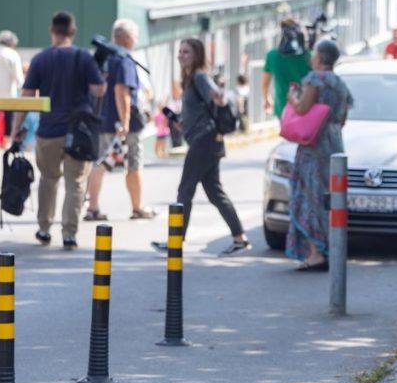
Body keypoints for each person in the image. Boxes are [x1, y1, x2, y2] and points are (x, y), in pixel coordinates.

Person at [10, 11, 106, 249]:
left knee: (49, 179)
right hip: (79, 132)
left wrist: (16, 128)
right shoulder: (84, 57)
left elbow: (27, 96)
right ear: (72, 32)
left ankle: (44, 228)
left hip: (49, 130)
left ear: (52, 30)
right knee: (76, 183)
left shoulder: (41, 59)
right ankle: (69, 234)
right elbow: (99, 90)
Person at [153, 39, 250, 256]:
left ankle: (176, 240)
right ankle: (239, 237)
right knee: (215, 193)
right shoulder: (190, 79)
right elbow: (199, 111)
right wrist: (178, 119)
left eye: (186, 52)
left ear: (197, 54)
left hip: (204, 141)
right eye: (179, 51)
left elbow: (217, 97)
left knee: (185, 189)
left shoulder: (199, 76)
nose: (181, 55)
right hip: (205, 140)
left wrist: (221, 99)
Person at [285, 39, 352, 271]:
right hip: (333, 142)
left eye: (314, 54)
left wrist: (292, 98)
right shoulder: (341, 84)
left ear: (320, 58)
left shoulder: (315, 79)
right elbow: (342, 119)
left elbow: (302, 108)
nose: (311, 57)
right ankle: (328, 247)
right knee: (329, 197)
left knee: (309, 195)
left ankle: (316, 251)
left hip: (313, 143)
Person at [85, 19, 157, 221]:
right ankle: (137, 207)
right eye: (135, 36)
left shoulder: (101, 58)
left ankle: (93, 207)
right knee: (133, 165)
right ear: (126, 38)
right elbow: (122, 91)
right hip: (124, 126)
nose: (136, 40)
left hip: (100, 119)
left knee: (99, 163)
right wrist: (125, 121)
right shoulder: (123, 59)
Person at [263, 17, 311, 119]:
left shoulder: (272, 56)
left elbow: (265, 83)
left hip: (283, 108)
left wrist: (267, 98)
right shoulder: (309, 56)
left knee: (288, 134)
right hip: (307, 106)